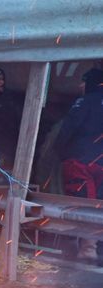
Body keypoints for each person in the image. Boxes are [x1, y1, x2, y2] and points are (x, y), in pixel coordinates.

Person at [53, 68, 103, 263]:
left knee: (80, 203)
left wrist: (60, 152)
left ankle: (84, 248)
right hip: (100, 163)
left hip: (81, 162)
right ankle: (90, 246)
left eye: (83, 81)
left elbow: (67, 130)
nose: (80, 85)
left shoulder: (83, 102)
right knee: (97, 204)